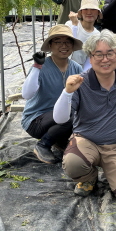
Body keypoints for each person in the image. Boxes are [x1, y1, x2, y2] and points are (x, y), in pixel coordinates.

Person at [53, 30, 116, 201]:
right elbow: (60, 119)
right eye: (99, 54)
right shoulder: (81, 81)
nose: (105, 59)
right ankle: (89, 177)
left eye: (110, 53)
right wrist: (67, 92)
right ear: (90, 57)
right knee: (73, 163)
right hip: (87, 141)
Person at [21, 25, 83, 164]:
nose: (63, 46)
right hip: (36, 120)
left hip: (59, 119)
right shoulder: (41, 67)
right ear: (50, 45)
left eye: (67, 42)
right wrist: (37, 66)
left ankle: (59, 140)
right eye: (58, 42)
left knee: (81, 113)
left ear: (72, 45)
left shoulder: (76, 68)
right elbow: (26, 94)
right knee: (70, 116)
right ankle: (43, 144)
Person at [68, 0, 101, 71]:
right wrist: (74, 26)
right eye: (85, 9)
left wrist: (83, 74)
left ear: (98, 13)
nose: (89, 12)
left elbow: (90, 59)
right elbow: (69, 46)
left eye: (93, 9)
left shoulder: (97, 35)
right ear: (81, 12)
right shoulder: (70, 24)